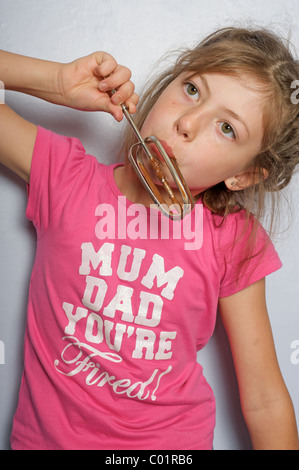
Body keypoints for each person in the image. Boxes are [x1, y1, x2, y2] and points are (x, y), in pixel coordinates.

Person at [0, 26, 299, 450]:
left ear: (244, 175)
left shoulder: (231, 238)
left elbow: (265, 401)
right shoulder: (65, 179)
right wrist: (58, 82)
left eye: (227, 128)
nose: (186, 122)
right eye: (193, 89)